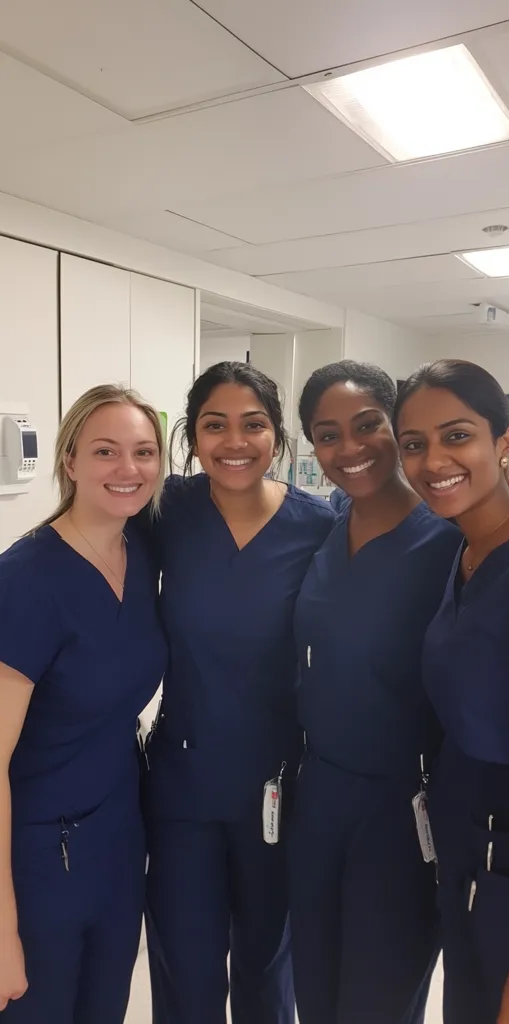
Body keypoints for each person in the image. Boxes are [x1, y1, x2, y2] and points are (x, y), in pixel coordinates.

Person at [143, 361, 335, 1024]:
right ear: (192, 438)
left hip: (276, 785)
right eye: (214, 424)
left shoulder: (318, 524)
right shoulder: (165, 509)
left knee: (264, 968)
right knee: (186, 974)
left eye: (253, 424)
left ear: (277, 436)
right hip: (182, 785)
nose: (234, 441)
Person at [394, 358, 509, 1024]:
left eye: (457, 436)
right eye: (414, 444)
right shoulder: (462, 553)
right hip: (472, 865)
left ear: (503, 442)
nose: (434, 459)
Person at [289, 360, 461, 1024]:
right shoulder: (331, 530)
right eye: (327, 435)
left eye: (367, 426)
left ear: (398, 427)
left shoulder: (450, 544)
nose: (349, 449)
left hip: (402, 807)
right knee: (316, 989)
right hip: (317, 796)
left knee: (377, 1001)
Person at [0, 385, 167, 1023]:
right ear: (69, 461)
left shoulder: (142, 550)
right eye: (106, 451)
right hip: (37, 859)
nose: (128, 470)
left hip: (119, 840)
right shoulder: (26, 583)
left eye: (144, 452)